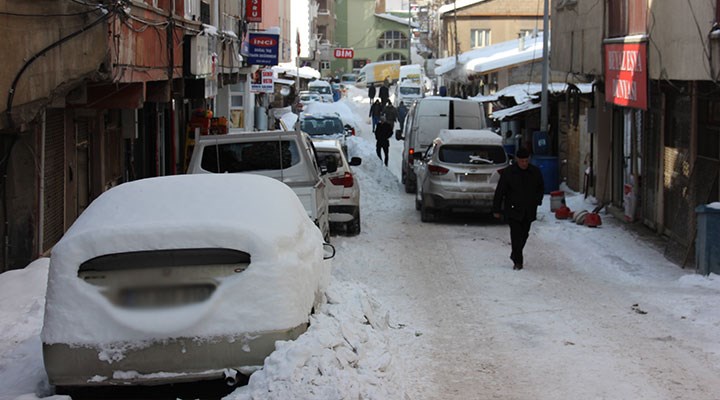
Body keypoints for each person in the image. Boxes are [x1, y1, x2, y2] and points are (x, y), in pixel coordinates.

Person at [492, 147, 544, 270]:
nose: (524, 163)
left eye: (526, 161)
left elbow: (540, 188)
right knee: (515, 235)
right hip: (513, 209)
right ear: (517, 160)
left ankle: (515, 253)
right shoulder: (509, 172)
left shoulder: (535, 172)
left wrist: (537, 201)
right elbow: (500, 191)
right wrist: (496, 209)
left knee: (524, 234)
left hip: (529, 209)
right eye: (522, 161)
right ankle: (518, 262)